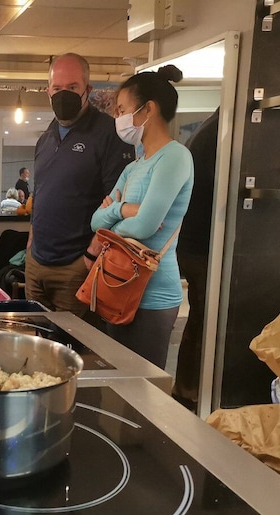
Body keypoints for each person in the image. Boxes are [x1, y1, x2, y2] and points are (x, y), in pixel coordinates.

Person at [90, 65, 193, 370]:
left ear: (148, 109)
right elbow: (97, 224)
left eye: (122, 110)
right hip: (117, 285)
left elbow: (147, 226)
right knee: (119, 386)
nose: (117, 118)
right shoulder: (134, 166)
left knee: (146, 392)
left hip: (153, 294)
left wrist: (114, 218)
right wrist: (122, 210)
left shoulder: (174, 157)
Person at [25, 53, 134, 313]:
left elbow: (118, 200)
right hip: (37, 263)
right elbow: (39, 192)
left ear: (88, 89)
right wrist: (31, 242)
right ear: (48, 91)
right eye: (58, 88)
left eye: (72, 88)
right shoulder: (46, 137)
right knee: (38, 344)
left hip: (76, 266)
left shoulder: (109, 134)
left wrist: (91, 254)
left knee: (73, 349)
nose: (64, 95)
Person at [173, 108, 219, 410]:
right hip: (201, 245)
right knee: (204, 320)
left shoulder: (207, 130)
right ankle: (192, 391)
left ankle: (187, 388)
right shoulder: (219, 133)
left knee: (200, 320)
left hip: (190, 242)